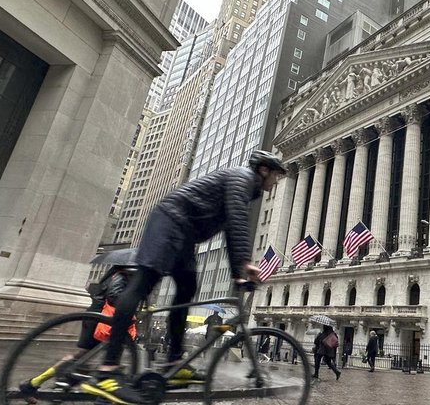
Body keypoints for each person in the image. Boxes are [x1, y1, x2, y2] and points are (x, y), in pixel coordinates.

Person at [80, 150, 282, 404]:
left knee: (187, 288)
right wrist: (243, 264)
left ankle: (174, 361)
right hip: (170, 222)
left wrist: (237, 273)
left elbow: (231, 231)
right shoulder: (241, 178)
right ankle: (107, 372)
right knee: (142, 284)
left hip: (184, 233)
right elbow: (237, 220)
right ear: (264, 171)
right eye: (276, 175)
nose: (276, 181)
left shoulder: (246, 188)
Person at [18, 266, 135, 401]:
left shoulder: (117, 275)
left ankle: (35, 384)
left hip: (98, 318)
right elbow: (114, 296)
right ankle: (104, 396)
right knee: (108, 361)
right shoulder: (122, 275)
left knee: (83, 357)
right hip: (100, 321)